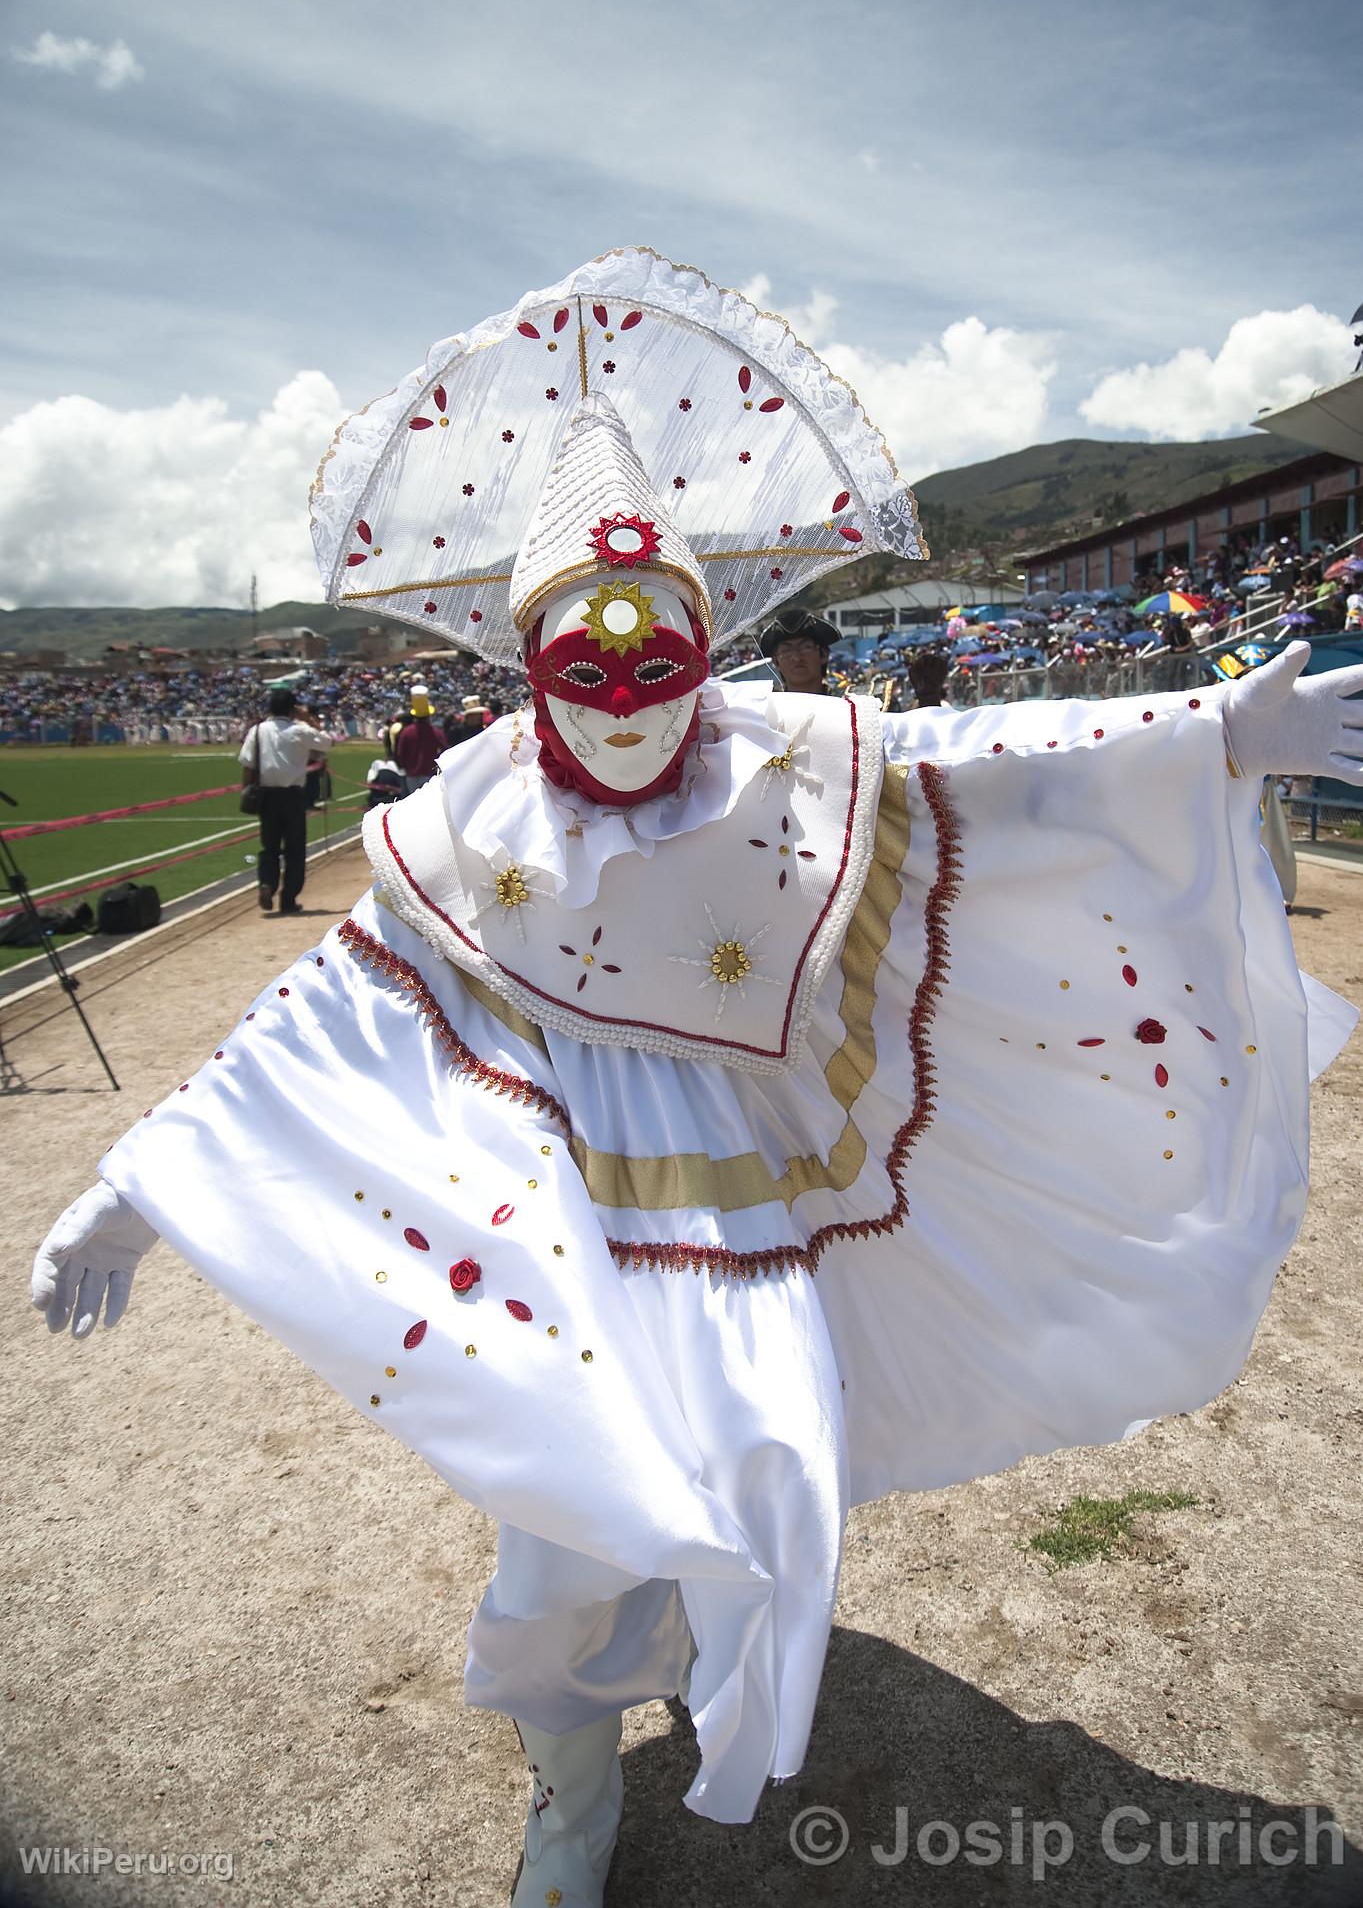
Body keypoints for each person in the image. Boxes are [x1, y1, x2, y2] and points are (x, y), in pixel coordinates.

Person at [30, 254, 1363, 1907]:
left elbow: (971, 777)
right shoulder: (465, 826)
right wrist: (133, 1184)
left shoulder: (778, 756)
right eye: (580, 667)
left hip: (750, 1207)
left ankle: (685, 1640)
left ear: (696, 643)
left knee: (760, 1469)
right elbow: (322, 1003)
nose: (623, 702)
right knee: (566, 1529)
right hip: (569, 1228)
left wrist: (1208, 736)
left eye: (654, 658)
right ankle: (571, 1793)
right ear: (526, 662)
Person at [238, 687, 333, 915]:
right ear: (293, 709)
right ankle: (288, 898)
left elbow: (248, 765)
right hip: (292, 796)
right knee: (295, 849)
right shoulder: (298, 730)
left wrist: (246, 791)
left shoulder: (258, 731)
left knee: (269, 847)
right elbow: (327, 742)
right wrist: (307, 717)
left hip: (266, 795)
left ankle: (267, 883)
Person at [756, 610, 840, 694]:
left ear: (824, 654)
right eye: (786, 651)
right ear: (776, 661)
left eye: (805, 647)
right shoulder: (766, 706)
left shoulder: (847, 703)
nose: (796, 658)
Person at [394, 691, 447, 793]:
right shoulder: (435, 732)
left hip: (411, 775)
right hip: (430, 773)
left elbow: (400, 754)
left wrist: (406, 766)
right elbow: (446, 749)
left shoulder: (406, 732)